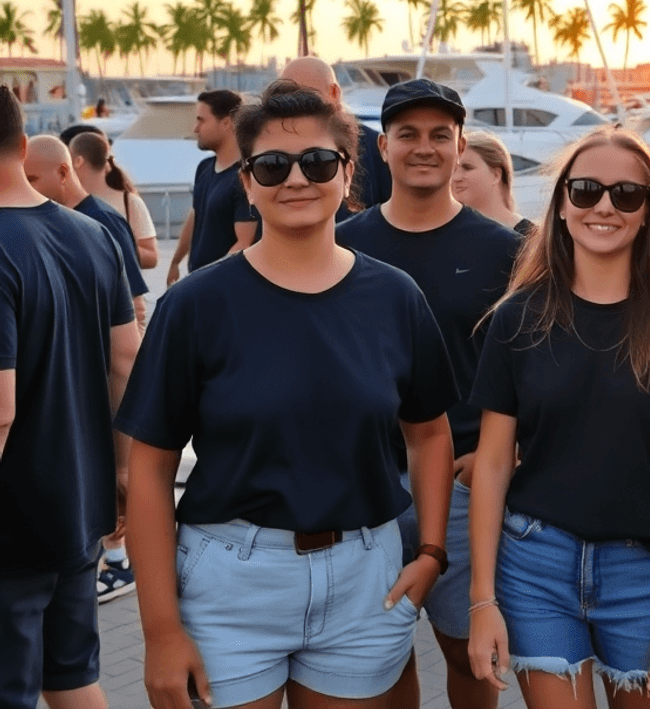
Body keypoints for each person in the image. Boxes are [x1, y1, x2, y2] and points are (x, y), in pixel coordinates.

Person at [117, 80, 458, 709]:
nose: (295, 179)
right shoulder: (196, 305)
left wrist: (432, 550)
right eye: (271, 165)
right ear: (246, 181)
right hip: (230, 583)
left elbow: (429, 430)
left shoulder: (395, 296)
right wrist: (160, 631)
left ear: (348, 173)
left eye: (318, 162)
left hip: (365, 580)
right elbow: (150, 467)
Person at [467, 126, 650, 707]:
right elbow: (491, 466)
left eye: (626, 194)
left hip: (646, 574)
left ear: (648, 213)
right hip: (535, 564)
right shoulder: (517, 319)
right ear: (561, 205)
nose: (604, 205)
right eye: (585, 190)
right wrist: (482, 601)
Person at [337, 77, 522, 709]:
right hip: (368, 489)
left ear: (459, 144)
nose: (424, 147)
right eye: (408, 134)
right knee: (376, 660)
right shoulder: (343, 245)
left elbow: (538, 366)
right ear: (381, 146)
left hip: (468, 486)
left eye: (440, 135)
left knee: (468, 653)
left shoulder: (506, 251)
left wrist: (512, 450)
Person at [0, 86, 140, 709]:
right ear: (23, 144)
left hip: (11, 522)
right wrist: (125, 474)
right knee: (72, 677)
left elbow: (1, 410)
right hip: (79, 508)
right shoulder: (92, 235)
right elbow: (126, 360)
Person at [24, 136, 150, 329]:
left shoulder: (104, 221)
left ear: (63, 172)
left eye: (32, 180)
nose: (27, 189)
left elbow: (135, 307)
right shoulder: (56, 221)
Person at [280, 55, 391, 214]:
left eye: (303, 95)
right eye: (284, 97)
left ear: (334, 93)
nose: (294, 105)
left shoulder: (375, 148)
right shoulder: (273, 152)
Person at [166, 90, 255, 285]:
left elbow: (244, 244)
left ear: (227, 123)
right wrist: (175, 262)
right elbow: (196, 214)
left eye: (201, 120)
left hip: (225, 286)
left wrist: (205, 282)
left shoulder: (244, 178)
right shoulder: (204, 168)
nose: (195, 128)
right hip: (198, 281)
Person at [68, 128, 158, 270]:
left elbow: (152, 257)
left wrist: (111, 246)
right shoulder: (66, 202)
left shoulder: (130, 202)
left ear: (78, 161)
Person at [451, 130, 532, 234]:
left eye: (467, 168)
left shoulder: (535, 240)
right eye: (453, 169)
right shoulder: (444, 236)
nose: (456, 178)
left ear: (496, 175)